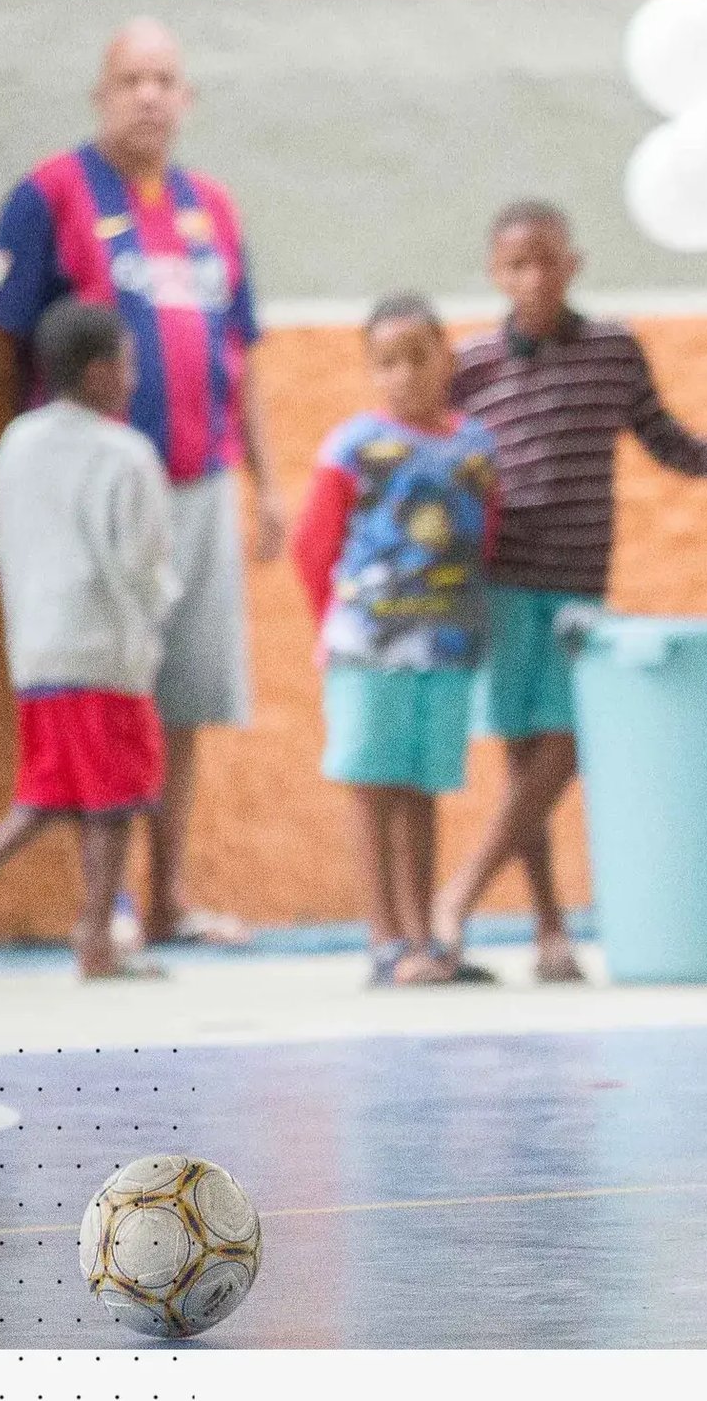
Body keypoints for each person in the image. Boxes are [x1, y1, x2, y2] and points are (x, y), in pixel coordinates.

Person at [0, 17, 282, 952]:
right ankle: (105, 912)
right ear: (101, 95)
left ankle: (169, 899)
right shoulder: (53, 194)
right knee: (102, 697)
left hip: (198, 484)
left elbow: (242, 351)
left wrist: (266, 483)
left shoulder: (211, 209)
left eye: (165, 79)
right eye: (130, 79)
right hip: (90, 507)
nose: (149, 95)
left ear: (187, 100)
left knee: (182, 697)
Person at [436, 200, 707, 979]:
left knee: (564, 744)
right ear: (495, 273)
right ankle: (548, 933)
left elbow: (671, 444)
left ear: (573, 263)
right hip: (504, 585)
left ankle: (461, 895)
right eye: (517, 264)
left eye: (548, 259)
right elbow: (439, 467)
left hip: (579, 587)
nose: (534, 276)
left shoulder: (613, 351)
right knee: (520, 765)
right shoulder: (471, 366)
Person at [0, 301, 179, 981]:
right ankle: (92, 936)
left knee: (59, 787)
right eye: (126, 364)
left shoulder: (18, 443)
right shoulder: (124, 455)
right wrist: (155, 620)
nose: (133, 378)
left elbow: (1, 542)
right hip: (105, 650)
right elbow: (140, 564)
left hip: (37, 648)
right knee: (113, 799)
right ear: (98, 373)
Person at [292, 296, 503, 989]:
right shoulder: (351, 447)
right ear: (370, 371)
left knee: (422, 787)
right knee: (372, 784)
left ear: (447, 355)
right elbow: (312, 544)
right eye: (387, 363)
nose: (405, 375)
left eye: (419, 357)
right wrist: (338, 622)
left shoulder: (475, 448)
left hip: (444, 646)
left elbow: (486, 537)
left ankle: (425, 936)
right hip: (367, 648)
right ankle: (385, 939)